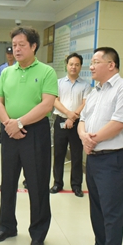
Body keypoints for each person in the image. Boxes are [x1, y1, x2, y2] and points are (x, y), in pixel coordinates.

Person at [74, 47, 123, 245]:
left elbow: (120, 122)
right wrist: (84, 137)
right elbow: (82, 120)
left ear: (111, 65)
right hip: (94, 158)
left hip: (114, 159)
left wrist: (93, 140)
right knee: (97, 208)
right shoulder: (95, 91)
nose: (90, 67)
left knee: (112, 213)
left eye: (95, 62)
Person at [0, 27, 58, 245]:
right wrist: (9, 124)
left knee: (37, 184)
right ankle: (6, 227)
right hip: (9, 131)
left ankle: (38, 234)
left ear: (33, 46)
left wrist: (19, 123)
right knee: (8, 182)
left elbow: (47, 105)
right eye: (14, 45)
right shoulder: (7, 72)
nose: (16, 49)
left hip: (35, 132)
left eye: (21, 45)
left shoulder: (47, 71)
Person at [50, 52, 91, 197]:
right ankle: (57, 183)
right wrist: (68, 114)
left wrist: (73, 118)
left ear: (80, 66)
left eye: (77, 65)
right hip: (60, 120)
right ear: (67, 65)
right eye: (71, 64)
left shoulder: (86, 85)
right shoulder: (58, 83)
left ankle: (76, 185)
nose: (74, 67)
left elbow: (85, 103)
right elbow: (55, 100)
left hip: (77, 124)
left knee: (77, 155)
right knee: (58, 154)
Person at [0, 46, 15, 145]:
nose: (10, 56)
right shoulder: (2, 67)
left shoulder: (17, 65)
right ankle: (2, 136)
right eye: (8, 54)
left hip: (14, 94)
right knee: (3, 114)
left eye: (11, 54)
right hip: (4, 94)